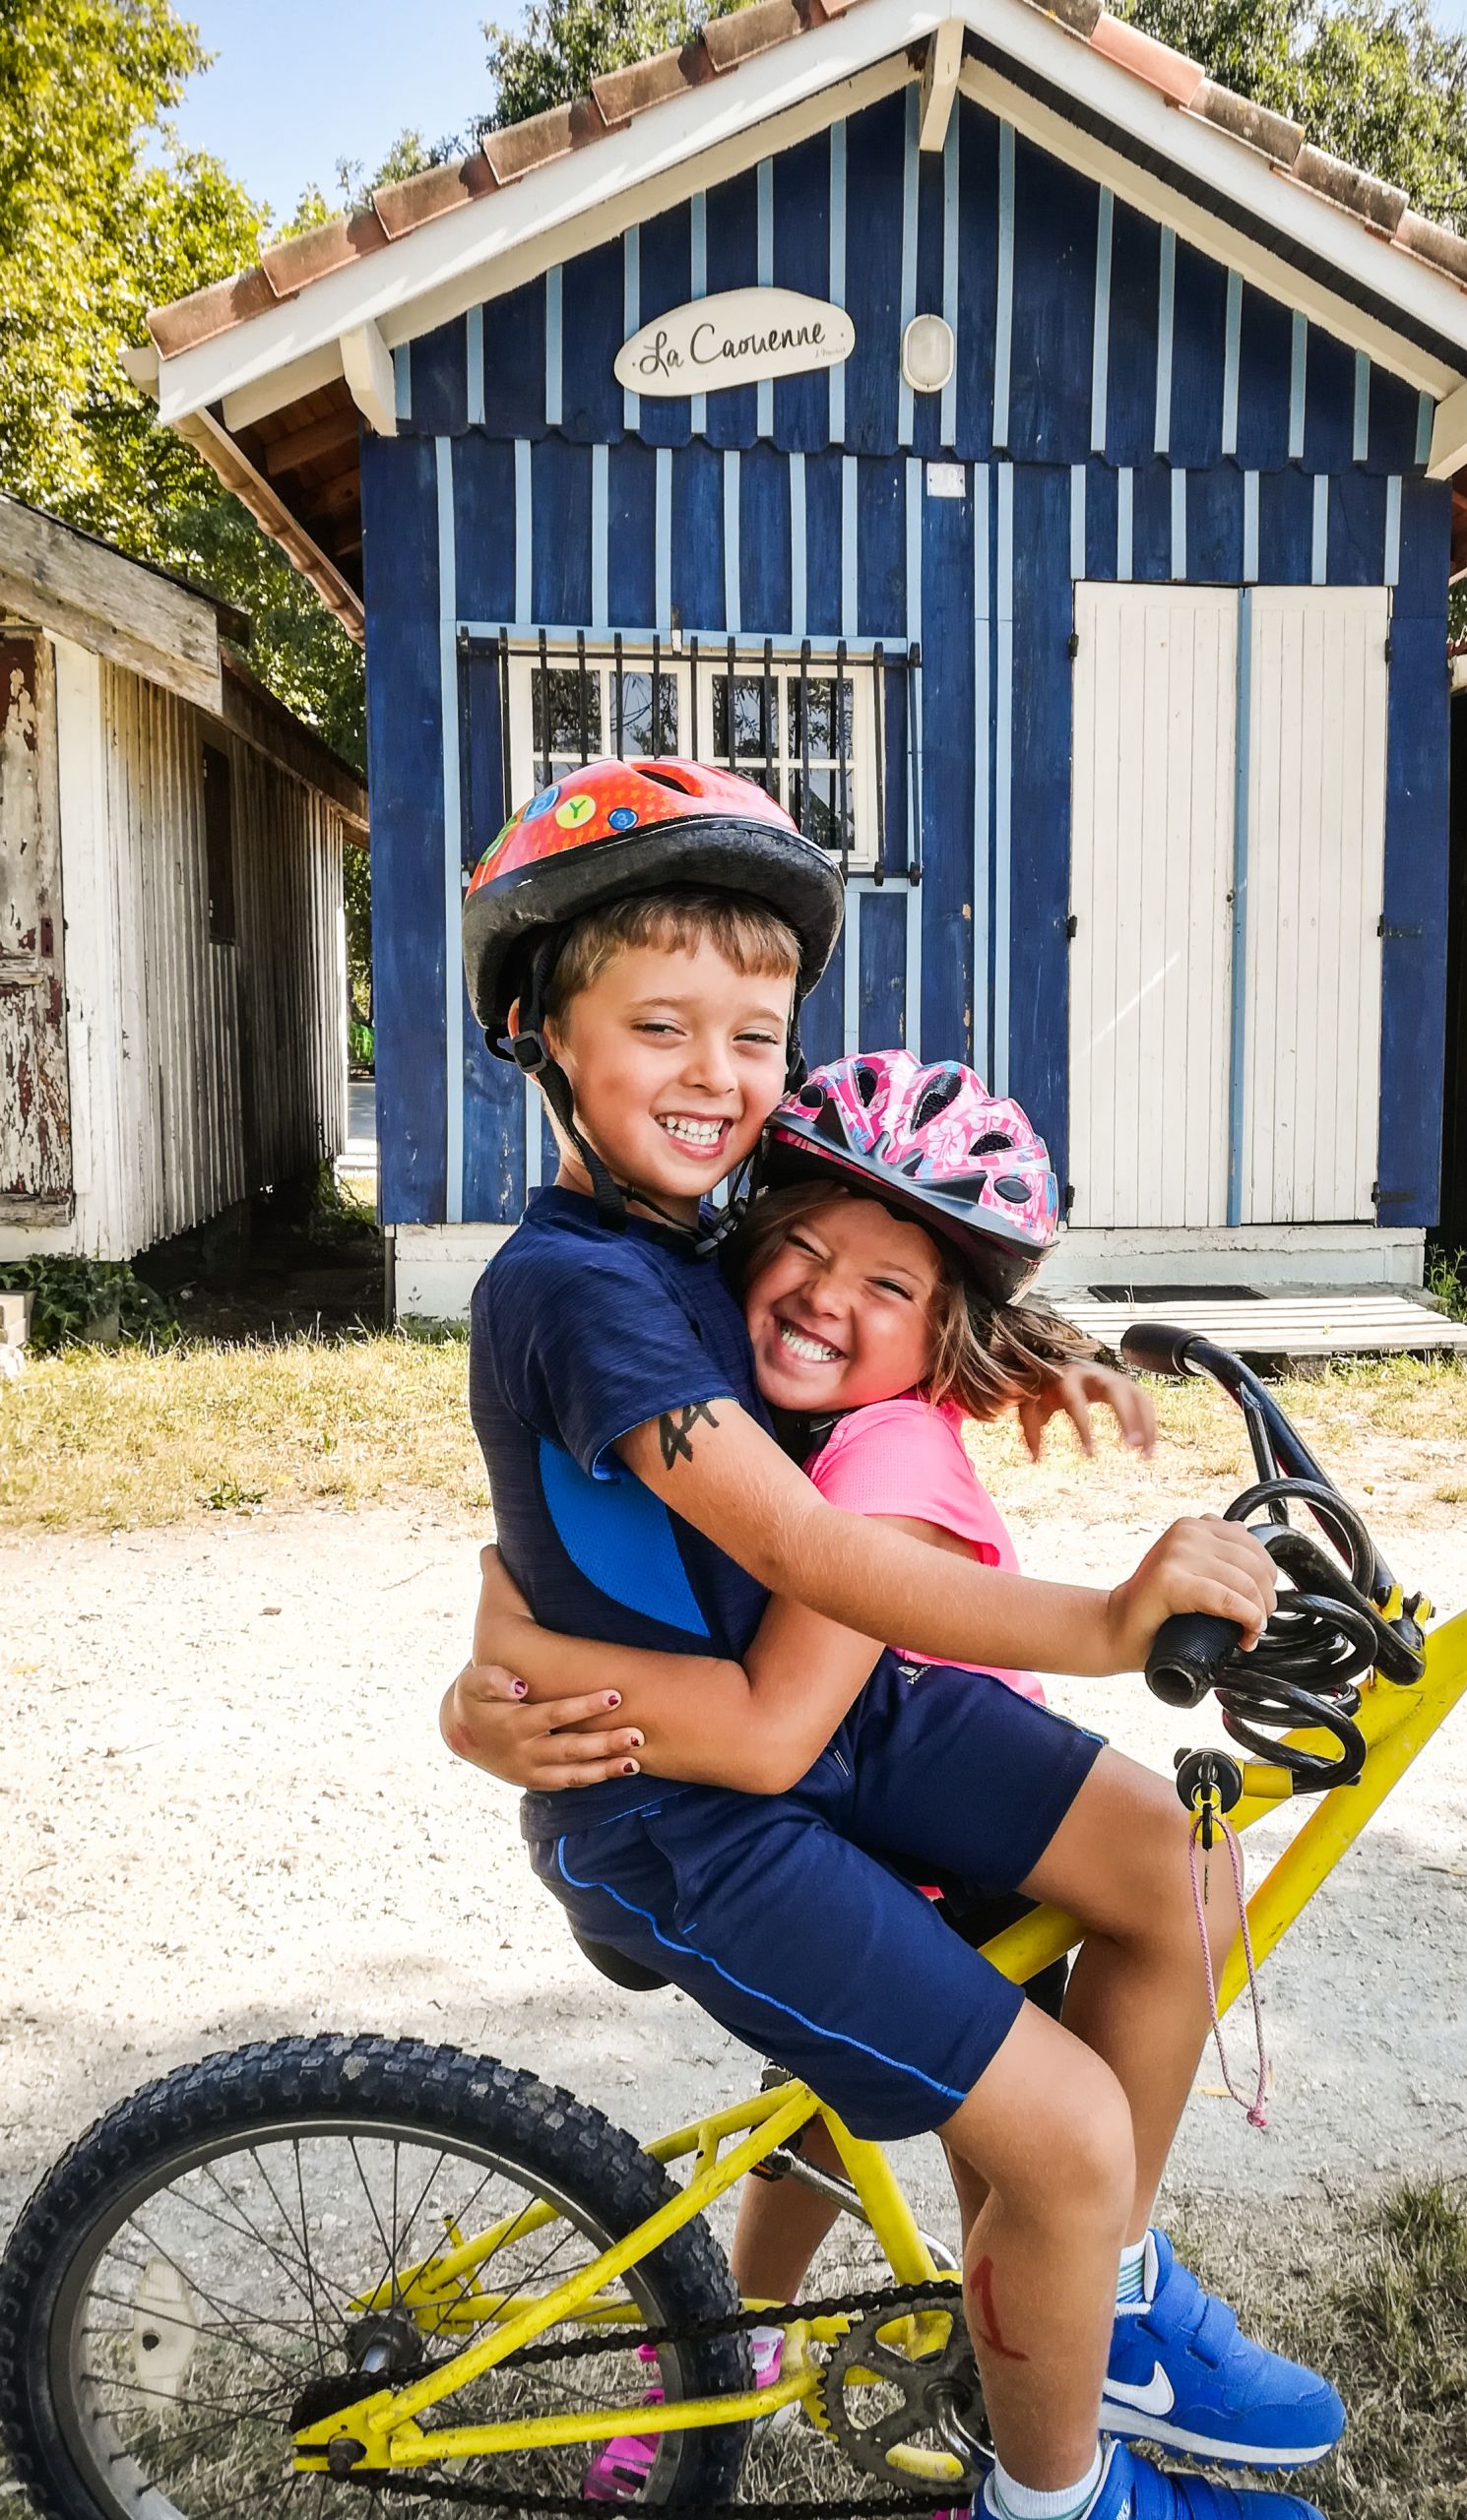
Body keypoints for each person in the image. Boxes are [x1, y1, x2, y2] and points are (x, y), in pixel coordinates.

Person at [447, 756, 1341, 2520]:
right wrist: (1098, 1619)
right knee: (1065, 2137)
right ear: (539, 1026)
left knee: (1179, 1872)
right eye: (662, 1027)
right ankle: (1049, 2495)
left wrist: (1028, 1348)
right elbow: (803, 1539)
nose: (715, 1077)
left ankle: (1115, 2302)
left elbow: (853, 1306)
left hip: (829, 1738)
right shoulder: (574, 1288)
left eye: (753, 1037)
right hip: (695, 1816)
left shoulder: (699, 1236)